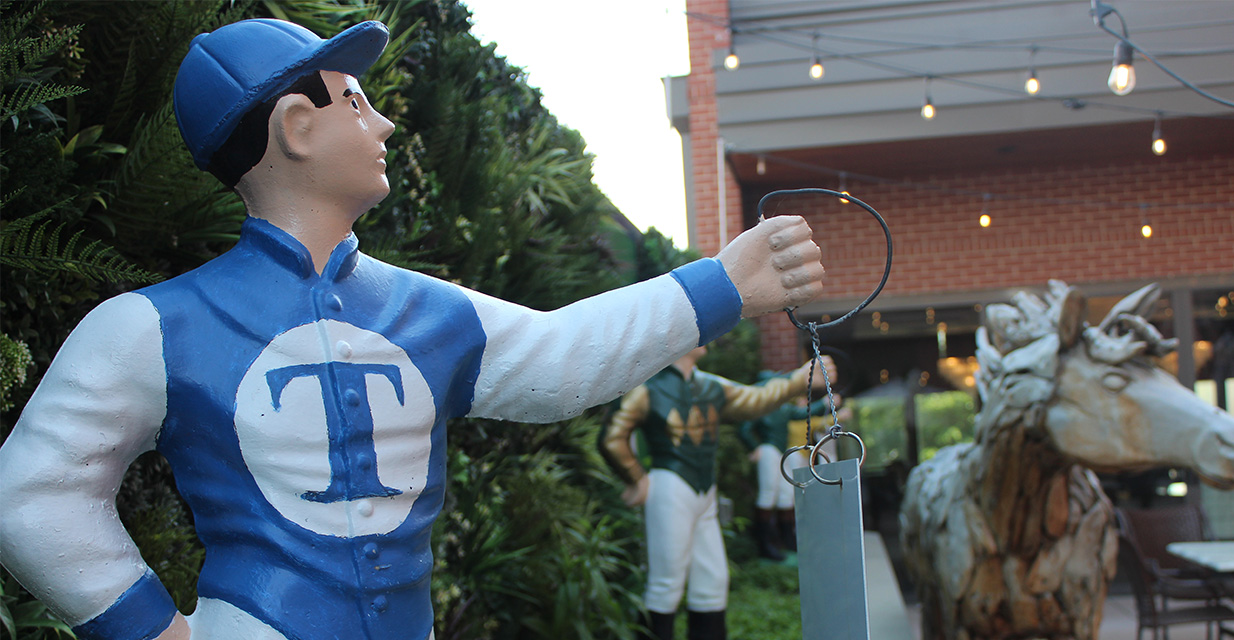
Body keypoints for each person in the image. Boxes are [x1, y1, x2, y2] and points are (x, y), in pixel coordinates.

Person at [0, 18, 825, 640]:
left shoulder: (423, 309)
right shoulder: (151, 327)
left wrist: (721, 286)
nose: (384, 125)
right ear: (295, 125)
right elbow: (29, 495)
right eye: (357, 103)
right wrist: (150, 630)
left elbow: (560, 360)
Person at [597, 347, 834, 640]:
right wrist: (636, 478)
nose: (704, 331)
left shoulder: (709, 384)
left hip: (703, 492)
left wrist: (800, 380)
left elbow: (755, 399)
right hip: (670, 487)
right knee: (665, 583)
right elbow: (611, 437)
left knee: (712, 581)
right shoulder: (647, 389)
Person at [738, 382, 838, 560]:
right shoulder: (761, 408)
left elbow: (802, 413)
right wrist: (754, 447)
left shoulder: (783, 408)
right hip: (768, 450)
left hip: (782, 451)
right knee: (768, 493)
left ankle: (786, 539)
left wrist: (824, 403)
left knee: (785, 494)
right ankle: (764, 543)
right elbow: (744, 429)